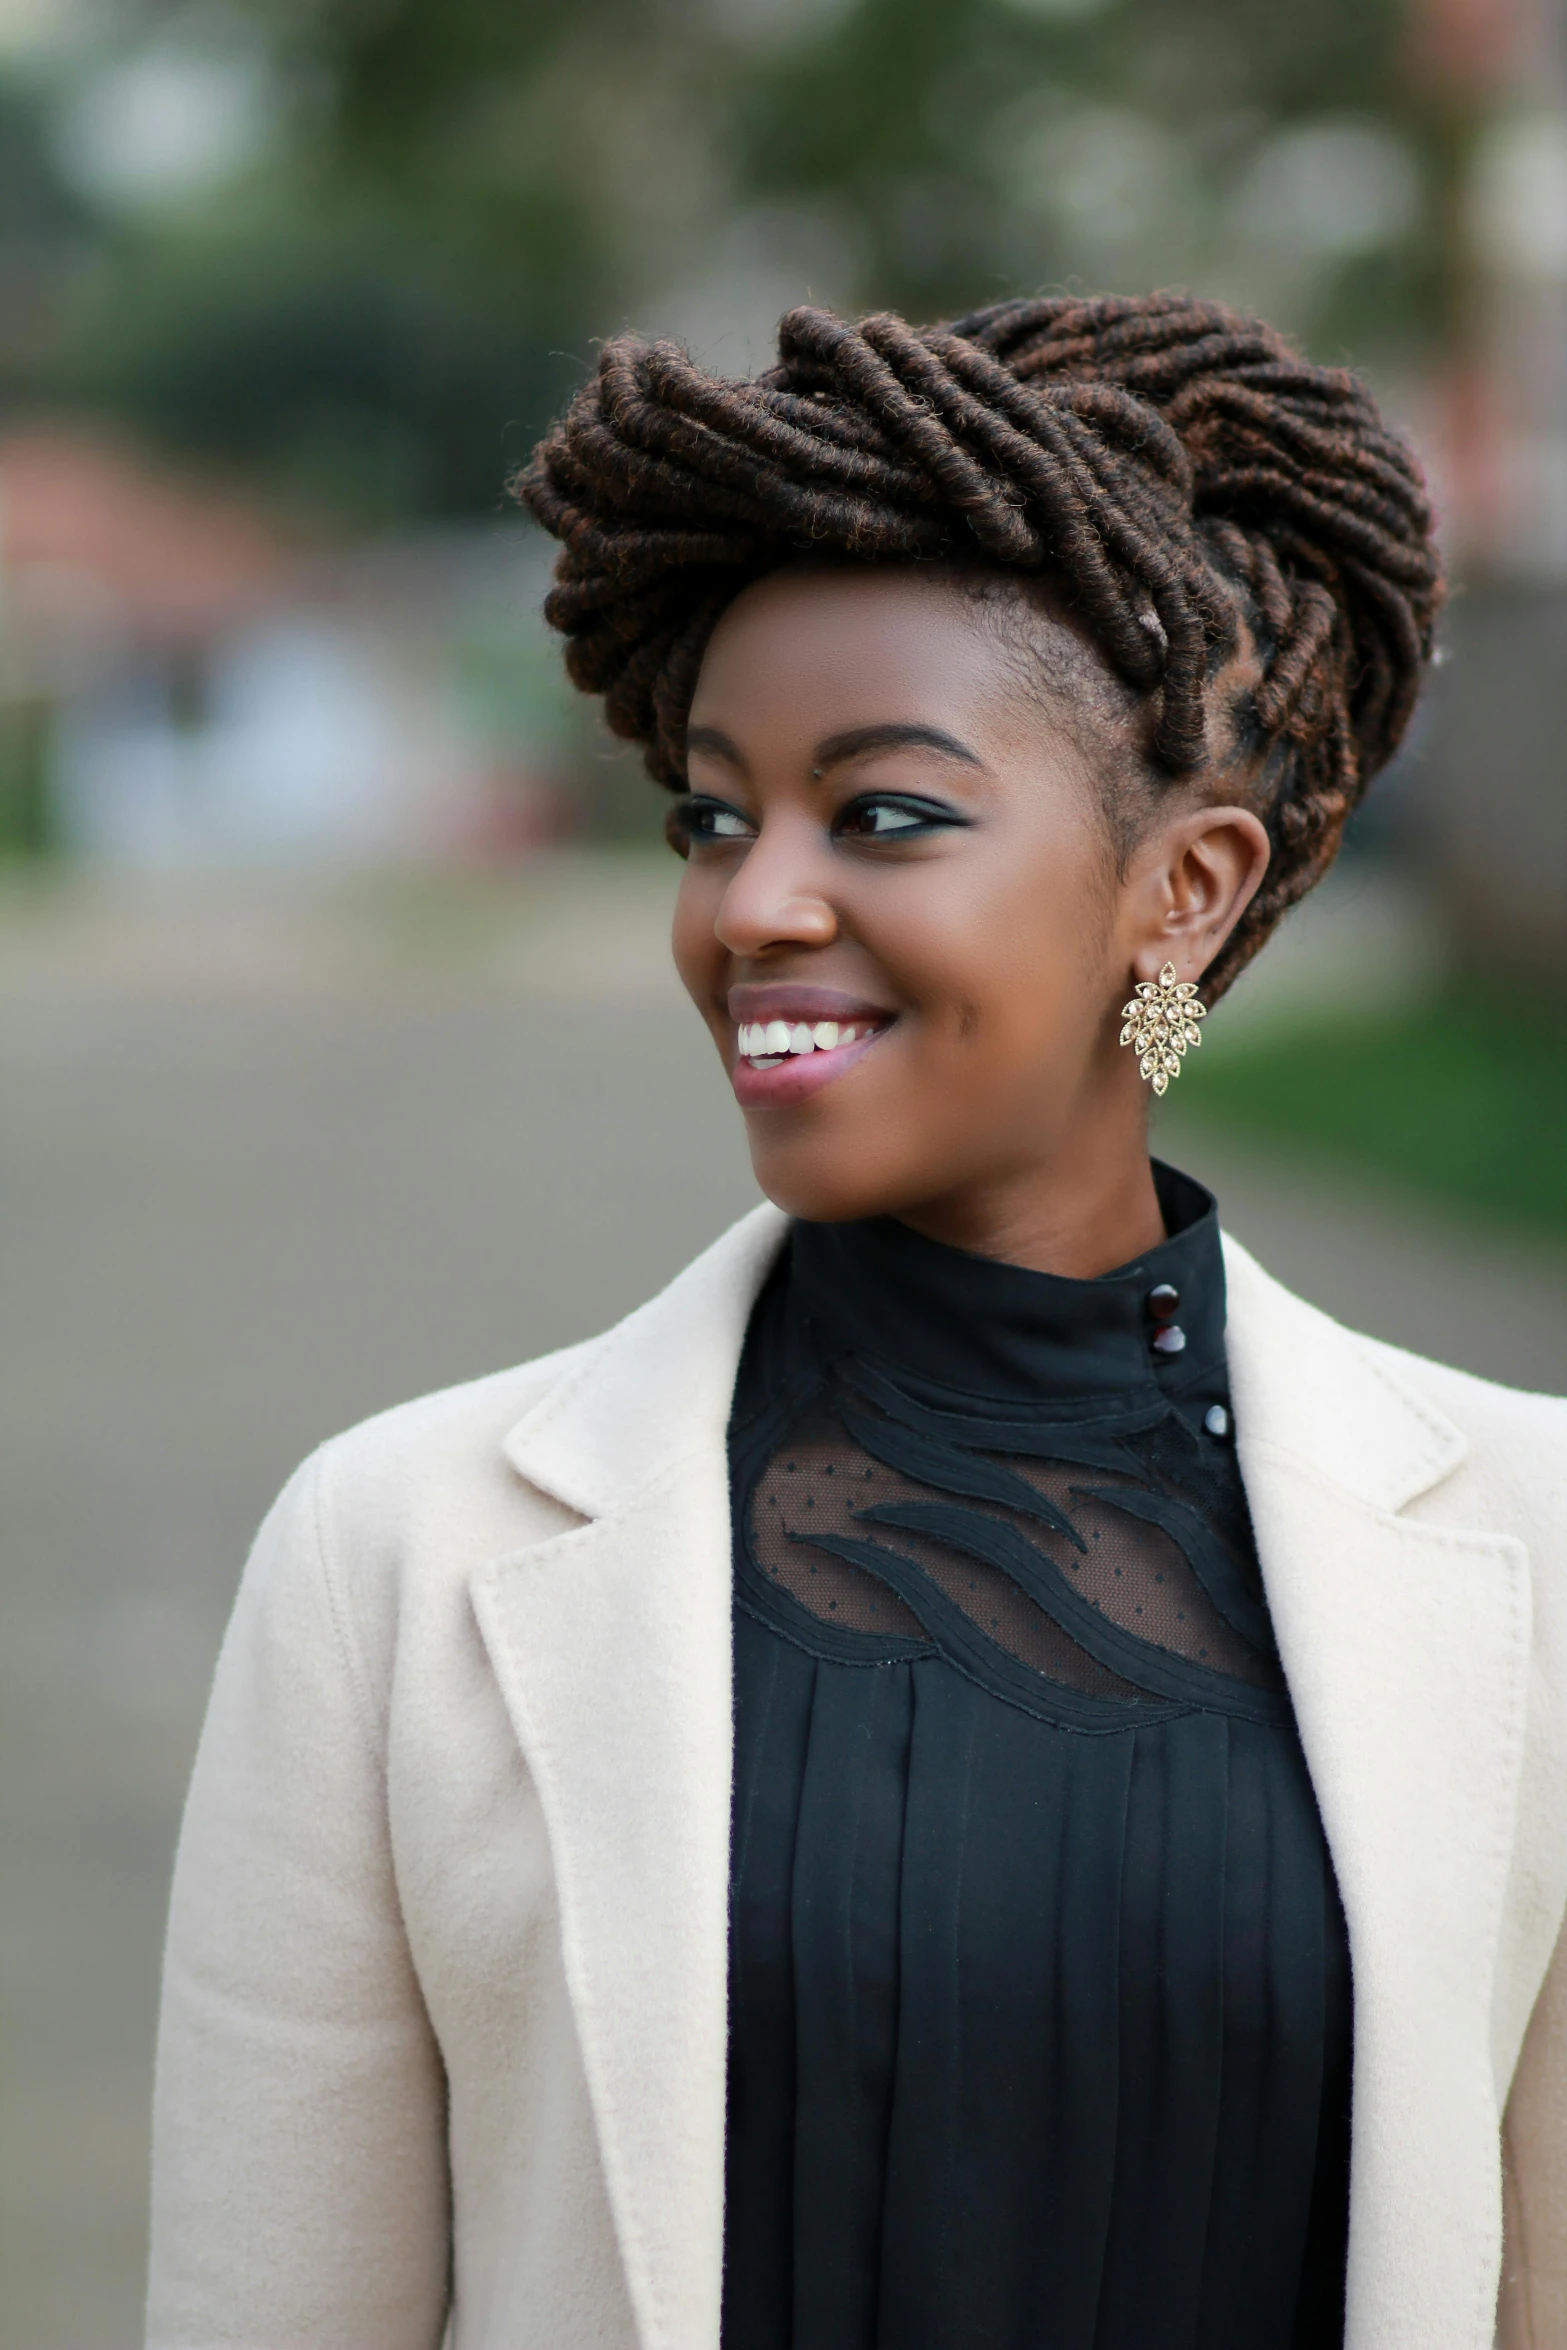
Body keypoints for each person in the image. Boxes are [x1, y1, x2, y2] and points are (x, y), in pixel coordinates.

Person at [146, 294, 1567, 2350]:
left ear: (1182, 890)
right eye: (711, 816)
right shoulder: (398, 1556)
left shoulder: (1533, 1545)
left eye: (881, 812)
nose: (751, 907)